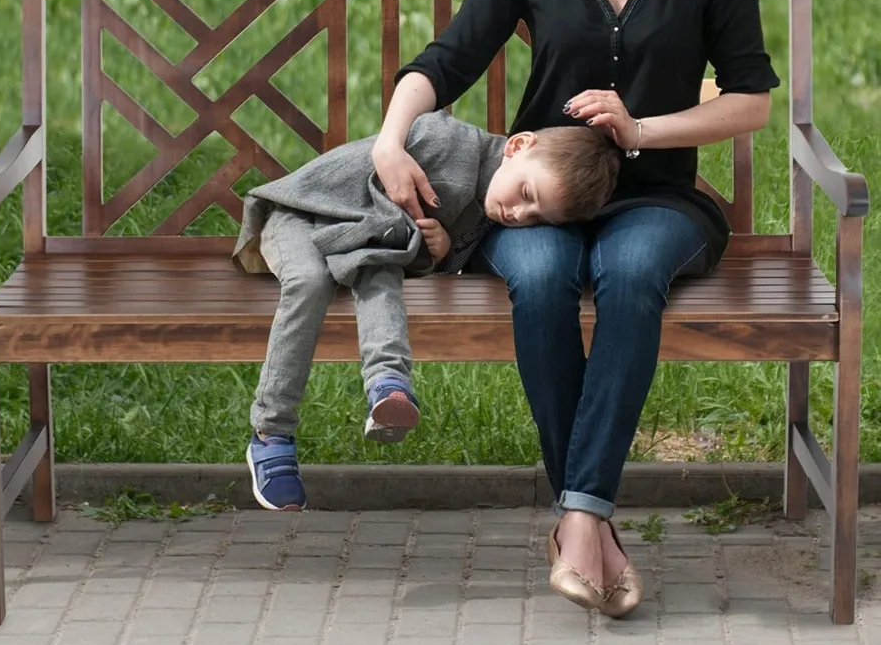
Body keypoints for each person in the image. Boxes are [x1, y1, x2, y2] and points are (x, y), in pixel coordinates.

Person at [370, 0, 779, 617]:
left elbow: (750, 99)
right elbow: (448, 57)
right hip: (537, 201)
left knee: (630, 273)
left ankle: (577, 519)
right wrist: (390, 137)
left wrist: (642, 129)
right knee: (547, 278)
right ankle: (589, 522)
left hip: (658, 198)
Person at [233, 111, 621, 511]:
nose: (519, 215)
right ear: (518, 146)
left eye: (537, 217)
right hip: (299, 214)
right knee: (311, 282)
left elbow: (415, 253)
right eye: (526, 194)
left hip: (363, 243)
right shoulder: (447, 143)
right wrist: (413, 240)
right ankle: (271, 431)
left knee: (379, 270)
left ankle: (388, 387)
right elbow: (358, 189)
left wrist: (436, 251)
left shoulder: (489, 209)